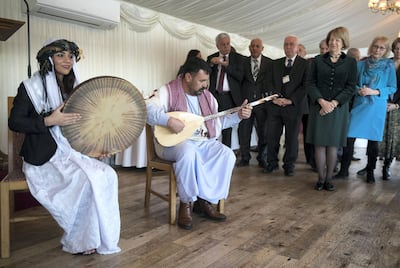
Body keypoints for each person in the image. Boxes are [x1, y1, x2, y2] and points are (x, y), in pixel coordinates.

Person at [8, 39, 121, 255]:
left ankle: (95, 236)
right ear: (48, 59)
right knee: (86, 181)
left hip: (72, 151)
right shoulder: (30, 87)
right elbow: (15, 122)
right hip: (44, 156)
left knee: (107, 174)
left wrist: (97, 147)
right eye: (60, 55)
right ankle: (80, 240)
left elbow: (86, 124)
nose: (67, 60)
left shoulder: (75, 88)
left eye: (70, 56)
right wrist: (49, 121)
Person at [146, 57, 252, 230]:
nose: (205, 85)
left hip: (201, 142)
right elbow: (147, 108)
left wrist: (238, 116)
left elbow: (216, 123)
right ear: (188, 77)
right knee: (188, 152)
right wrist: (167, 120)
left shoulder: (208, 98)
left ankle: (205, 201)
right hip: (173, 143)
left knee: (226, 154)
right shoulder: (167, 91)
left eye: (207, 81)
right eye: (202, 81)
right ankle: (186, 203)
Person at [335, 36, 397, 184]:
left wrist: (374, 92)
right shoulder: (361, 64)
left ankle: (370, 172)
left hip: (377, 107)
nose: (378, 50)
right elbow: (351, 84)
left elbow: (392, 87)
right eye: (375, 46)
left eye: (382, 48)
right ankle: (344, 170)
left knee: (373, 142)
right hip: (359, 104)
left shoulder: (389, 66)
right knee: (349, 139)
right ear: (371, 47)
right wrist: (359, 90)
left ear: (386, 50)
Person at [306, 26, 357, 191]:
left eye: (337, 40)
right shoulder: (317, 60)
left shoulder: (350, 62)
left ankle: (329, 179)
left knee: (333, 145)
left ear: (343, 43)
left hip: (338, 108)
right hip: (318, 107)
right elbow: (310, 83)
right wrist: (322, 102)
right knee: (319, 144)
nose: (333, 43)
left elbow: (350, 87)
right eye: (331, 40)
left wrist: (334, 103)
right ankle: (320, 178)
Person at [262, 35, 308, 176]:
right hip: (275, 106)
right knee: (272, 136)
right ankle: (272, 163)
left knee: (291, 138)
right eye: (286, 44)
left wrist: (290, 100)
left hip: (293, 107)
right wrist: (275, 98)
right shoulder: (275, 64)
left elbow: (305, 86)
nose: (288, 47)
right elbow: (268, 83)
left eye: (291, 44)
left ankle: (289, 165)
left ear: (297, 47)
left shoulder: (305, 64)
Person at [237, 38, 272, 167]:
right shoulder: (243, 62)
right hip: (246, 103)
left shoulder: (269, 63)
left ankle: (262, 157)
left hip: (263, 104)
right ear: (249, 48)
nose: (255, 48)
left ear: (262, 48)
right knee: (244, 131)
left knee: (263, 132)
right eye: (252, 46)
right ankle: (245, 157)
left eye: (257, 46)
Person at [207, 33, 245, 147]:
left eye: (228, 43)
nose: (226, 46)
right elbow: (204, 72)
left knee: (226, 127)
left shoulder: (238, 58)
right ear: (218, 46)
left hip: (229, 97)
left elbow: (240, 76)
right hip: (214, 96)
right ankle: (211, 151)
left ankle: (225, 153)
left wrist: (227, 66)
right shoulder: (211, 58)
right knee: (211, 124)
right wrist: (211, 63)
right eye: (223, 44)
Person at [377, 37, 400, 180]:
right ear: (392, 49)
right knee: (379, 136)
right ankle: (372, 165)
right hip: (382, 104)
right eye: (397, 48)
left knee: (394, 138)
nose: (399, 51)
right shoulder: (386, 64)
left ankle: (387, 165)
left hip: (397, 107)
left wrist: (396, 105)